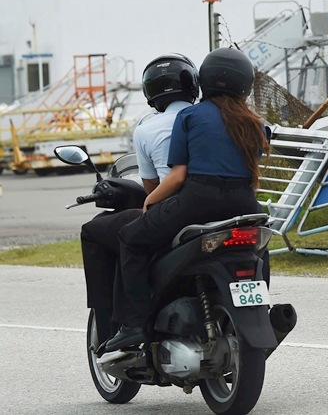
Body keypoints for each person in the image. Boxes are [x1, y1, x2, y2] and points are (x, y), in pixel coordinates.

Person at [104, 48, 268, 351]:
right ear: (246, 84)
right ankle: (261, 309)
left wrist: (149, 201)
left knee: (130, 238)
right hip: (246, 203)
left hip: (198, 200)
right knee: (257, 249)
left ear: (203, 80)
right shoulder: (256, 124)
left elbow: (178, 176)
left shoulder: (191, 116)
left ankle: (135, 326)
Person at [80, 53, 198, 346]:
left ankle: (116, 323)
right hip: (229, 207)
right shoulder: (211, 118)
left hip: (174, 210)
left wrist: (151, 198)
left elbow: (153, 186)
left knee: (97, 232)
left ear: (152, 92)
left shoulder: (148, 128)